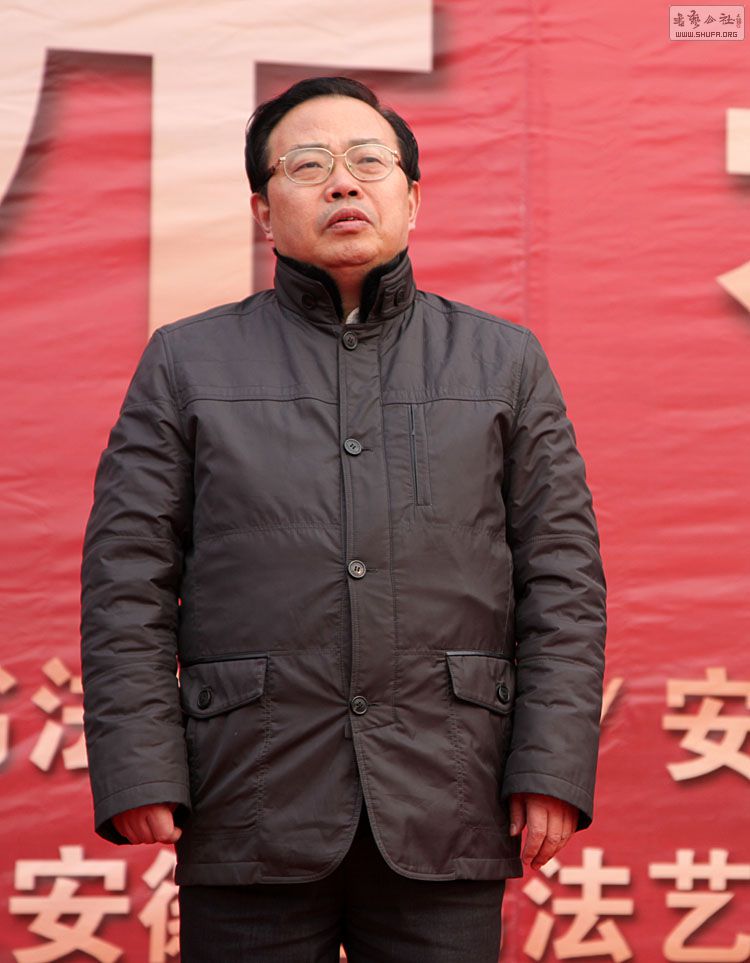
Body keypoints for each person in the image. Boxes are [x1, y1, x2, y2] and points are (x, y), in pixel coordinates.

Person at [80, 76, 606, 962]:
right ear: (263, 209)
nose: (343, 183)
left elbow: (563, 579)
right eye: (308, 165)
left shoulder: (503, 362)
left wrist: (549, 765)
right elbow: (126, 580)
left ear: (412, 197)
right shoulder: (186, 362)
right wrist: (140, 764)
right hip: (249, 792)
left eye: (368, 161)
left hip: (445, 791)